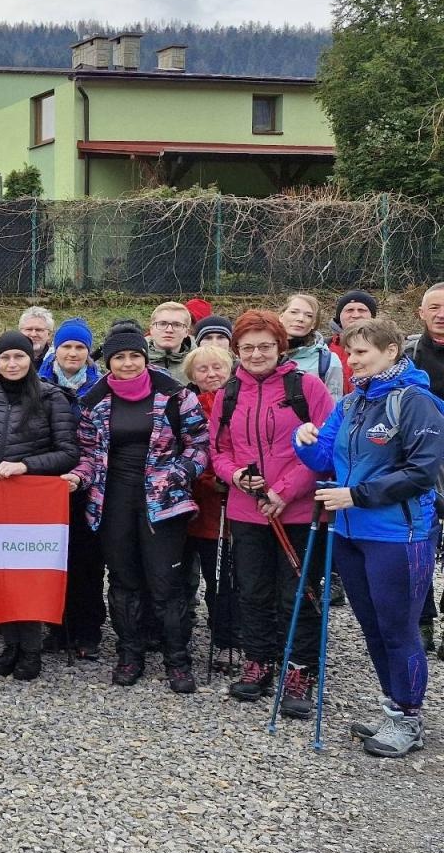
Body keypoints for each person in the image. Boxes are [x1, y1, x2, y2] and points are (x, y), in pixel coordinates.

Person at [295, 318, 444, 758]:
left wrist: (357, 495)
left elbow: (421, 472)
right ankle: (393, 709)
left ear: (391, 352)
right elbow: (324, 457)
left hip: (399, 534)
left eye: (361, 353)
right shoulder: (352, 401)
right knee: (373, 628)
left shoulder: (416, 402)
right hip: (349, 531)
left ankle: (410, 718)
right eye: (350, 352)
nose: (352, 360)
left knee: (398, 629)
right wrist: (303, 438)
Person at [67, 327, 208, 693]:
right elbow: (86, 453)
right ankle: (129, 653)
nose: (128, 363)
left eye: (134, 356)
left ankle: (177, 659)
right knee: (124, 580)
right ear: (109, 363)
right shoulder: (93, 401)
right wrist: (78, 479)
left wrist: (178, 474)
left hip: (163, 501)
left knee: (166, 583)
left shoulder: (176, 396)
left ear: (145, 358)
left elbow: (198, 444)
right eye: (119, 357)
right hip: (112, 500)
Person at [208, 310, 334, 711]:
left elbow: (326, 449)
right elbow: (219, 451)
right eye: (248, 347)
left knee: (299, 592)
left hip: (298, 511)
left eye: (265, 346)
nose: (257, 354)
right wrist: (236, 477)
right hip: (249, 510)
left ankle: (300, 668)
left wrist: (284, 490)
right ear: (236, 350)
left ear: (280, 346)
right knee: (253, 590)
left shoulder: (307, 387)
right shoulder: (230, 393)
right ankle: (258, 659)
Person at [0, 331, 77, 680]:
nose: (12, 364)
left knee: (27, 573)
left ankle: (31, 648)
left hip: (31, 500)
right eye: (6, 358)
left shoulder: (53, 398)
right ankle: (10, 642)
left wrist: (25, 465)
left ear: (30, 360)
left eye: (19, 357)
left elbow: (68, 452)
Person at [38, 319, 106, 660]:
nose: (73, 353)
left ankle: (89, 629)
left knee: (87, 559)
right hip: (48, 482)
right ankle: (58, 626)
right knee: (53, 557)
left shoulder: (101, 387)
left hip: (89, 481)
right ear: (56, 349)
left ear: (88, 352)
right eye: (67, 346)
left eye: (80, 347)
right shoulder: (39, 382)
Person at [182, 343, 237, 655]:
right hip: (196, 499)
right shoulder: (189, 405)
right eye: (202, 369)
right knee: (187, 573)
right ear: (192, 375)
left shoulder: (238, 401)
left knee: (224, 575)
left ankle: (227, 632)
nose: (211, 374)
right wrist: (206, 479)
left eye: (217, 367)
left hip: (227, 501)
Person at [404, 281, 444, 656]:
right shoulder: (408, 352)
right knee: (419, 538)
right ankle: (422, 619)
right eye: (434, 307)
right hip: (419, 457)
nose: (441, 314)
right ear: (421, 313)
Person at [280, 292, 345, 399]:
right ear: (281, 316)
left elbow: (333, 409)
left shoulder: (328, 361)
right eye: (294, 312)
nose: (300, 318)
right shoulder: (263, 355)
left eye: (309, 315)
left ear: (313, 324)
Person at [329, 290, 376, 369]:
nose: (356, 315)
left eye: (361, 310)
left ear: (372, 316)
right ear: (339, 316)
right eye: (349, 310)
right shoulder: (323, 348)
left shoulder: (385, 346)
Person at [146, 302, 194, 380]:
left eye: (177, 325)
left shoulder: (197, 364)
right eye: (162, 324)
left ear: (186, 332)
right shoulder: (136, 362)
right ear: (151, 329)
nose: (169, 330)